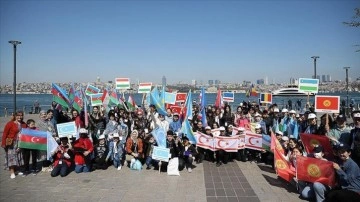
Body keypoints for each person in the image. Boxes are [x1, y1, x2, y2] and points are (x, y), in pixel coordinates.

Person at [1, 111, 27, 179]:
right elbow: (5, 134)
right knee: (11, 157)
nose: (20, 117)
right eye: (18, 115)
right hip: (11, 142)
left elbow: (27, 132)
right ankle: (12, 172)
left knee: (19, 156)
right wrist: (3, 143)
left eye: (21, 115)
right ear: (15, 116)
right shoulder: (10, 124)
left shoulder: (24, 124)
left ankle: (17, 170)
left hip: (20, 142)